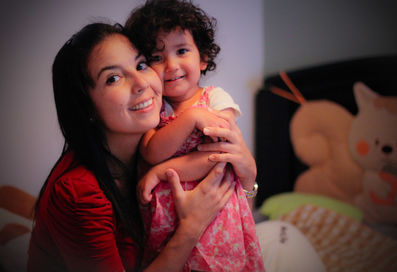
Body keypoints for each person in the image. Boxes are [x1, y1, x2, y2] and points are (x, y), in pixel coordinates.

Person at [27, 22, 255, 272]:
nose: (141, 83)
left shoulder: (156, 149)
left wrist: (248, 180)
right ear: (87, 106)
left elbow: (231, 221)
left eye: (141, 65)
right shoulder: (80, 192)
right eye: (113, 78)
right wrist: (191, 227)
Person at [125, 1, 264, 271]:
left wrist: (162, 171)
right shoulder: (155, 106)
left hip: (219, 217)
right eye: (156, 56)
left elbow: (219, 158)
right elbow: (151, 151)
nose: (171, 64)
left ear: (203, 58)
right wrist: (190, 120)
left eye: (182, 51)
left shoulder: (215, 100)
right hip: (169, 224)